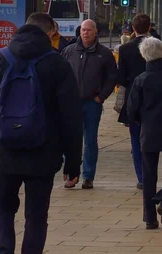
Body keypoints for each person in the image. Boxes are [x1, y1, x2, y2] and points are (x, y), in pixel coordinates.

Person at [0, 13, 83, 254]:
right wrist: (73, 162)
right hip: (43, 154)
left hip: (5, 151)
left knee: (2, 209)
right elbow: (72, 117)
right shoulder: (57, 63)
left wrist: (3, 122)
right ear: (50, 31)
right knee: (36, 217)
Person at [126, 37, 162, 230]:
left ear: (144, 56)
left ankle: (150, 218)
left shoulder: (140, 79)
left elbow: (131, 109)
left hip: (148, 131)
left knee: (149, 174)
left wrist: (140, 120)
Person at [61, 19, 118, 190]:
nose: (85, 33)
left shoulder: (104, 54)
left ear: (95, 33)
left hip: (92, 103)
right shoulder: (69, 51)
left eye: (88, 30)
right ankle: (72, 173)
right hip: (72, 104)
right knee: (71, 139)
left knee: (90, 140)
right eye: (83, 30)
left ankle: (88, 176)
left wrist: (101, 97)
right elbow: (60, 74)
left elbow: (113, 77)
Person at [117, 14, 152, 190]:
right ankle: (150, 172)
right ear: (149, 28)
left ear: (133, 29)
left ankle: (141, 177)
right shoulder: (156, 45)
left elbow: (121, 77)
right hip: (153, 97)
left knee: (135, 140)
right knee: (151, 138)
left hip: (133, 97)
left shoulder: (125, 49)